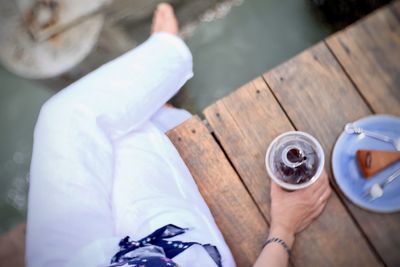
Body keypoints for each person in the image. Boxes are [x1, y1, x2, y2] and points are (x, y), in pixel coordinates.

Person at [26, 3, 331, 267]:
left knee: (89, 126)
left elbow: (68, 121)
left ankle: (163, 73)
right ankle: (164, 77)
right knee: (133, 128)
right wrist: (284, 229)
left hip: (113, 249)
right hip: (186, 245)